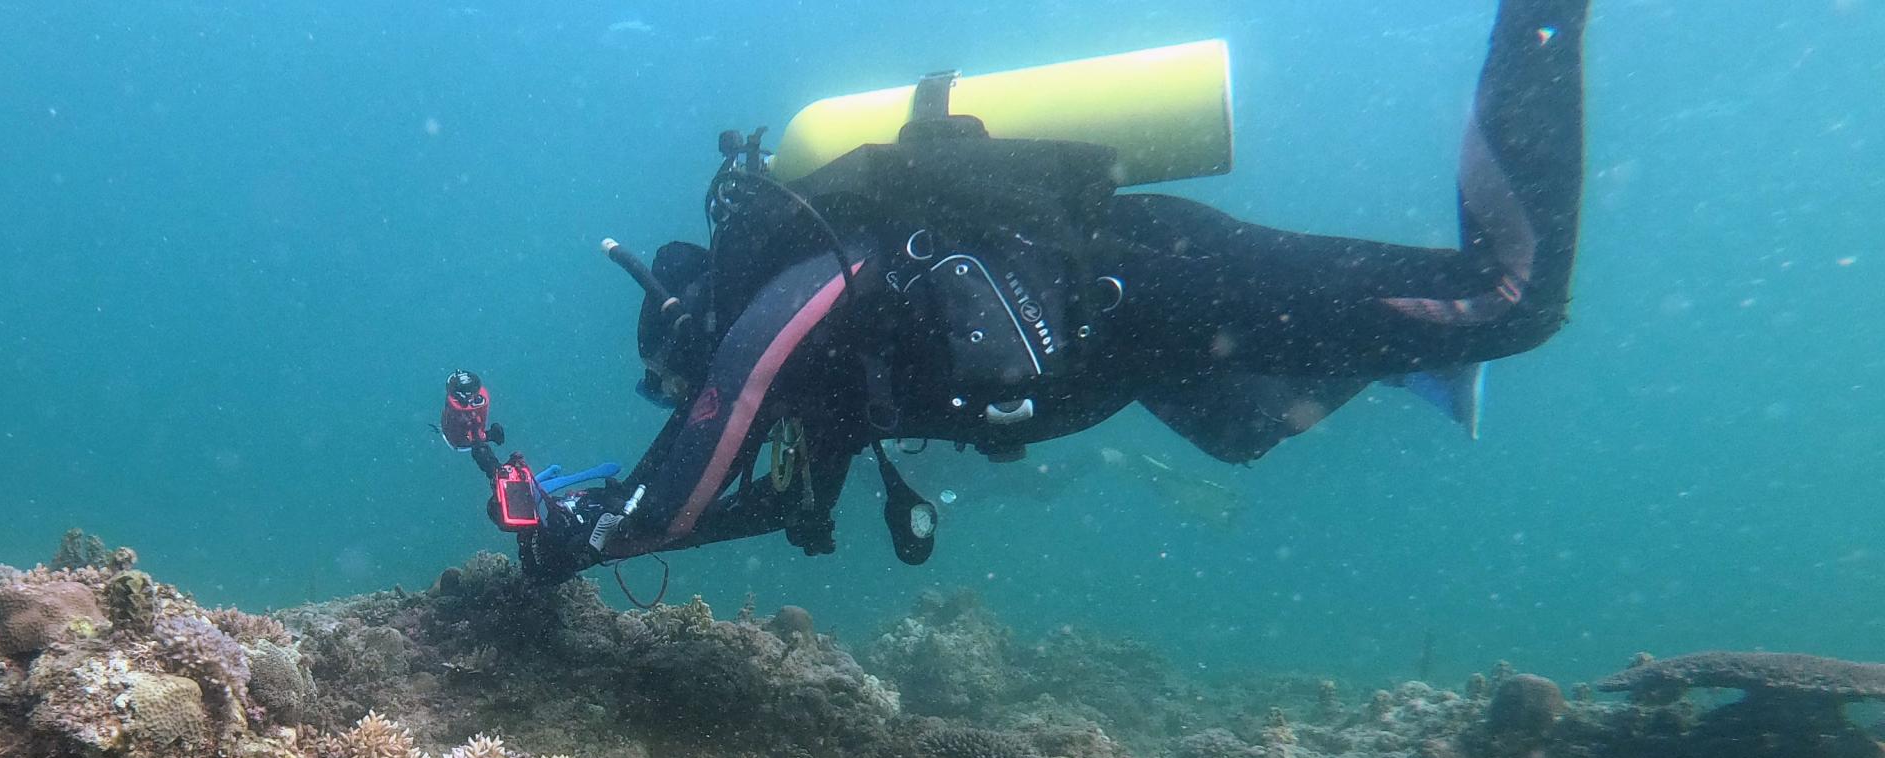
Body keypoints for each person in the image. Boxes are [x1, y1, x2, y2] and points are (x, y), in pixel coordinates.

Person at [511, 0, 1587, 582]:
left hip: (1156, 276)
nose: (681, 396)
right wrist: (610, 531)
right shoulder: (827, 379)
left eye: (669, 381)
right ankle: (1421, 360)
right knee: (1242, 432)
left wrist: (601, 526)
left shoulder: (793, 284)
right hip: (1137, 346)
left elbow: (730, 398)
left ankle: (1542, 17)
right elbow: (784, 498)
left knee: (1512, 298)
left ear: (686, 326)